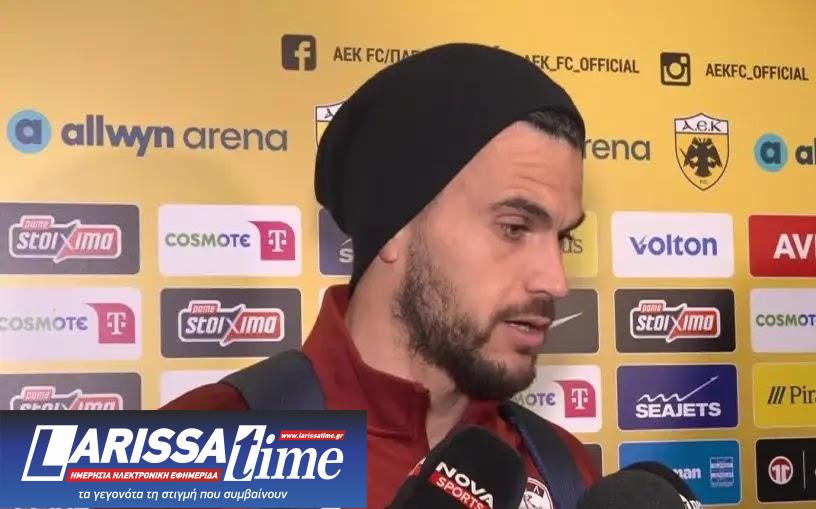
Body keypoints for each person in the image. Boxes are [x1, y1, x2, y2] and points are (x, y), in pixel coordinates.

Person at [163, 42, 597, 508]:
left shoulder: (565, 469)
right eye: (513, 228)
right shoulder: (189, 458)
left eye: (563, 238)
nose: (556, 281)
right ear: (395, 227)